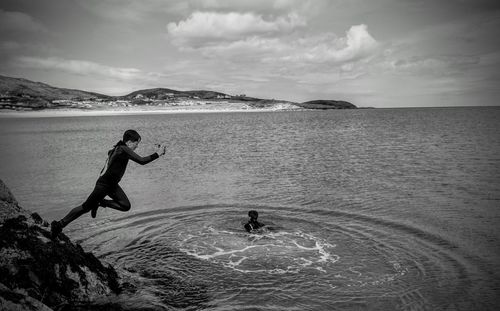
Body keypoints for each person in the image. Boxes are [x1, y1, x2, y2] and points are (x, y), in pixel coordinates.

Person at [51, 129, 165, 238]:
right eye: (136, 143)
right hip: (104, 185)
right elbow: (142, 161)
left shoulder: (119, 149)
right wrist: (158, 153)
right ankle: (59, 224)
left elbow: (110, 157)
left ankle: (100, 202)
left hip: (112, 185)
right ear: (129, 142)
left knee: (125, 205)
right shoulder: (123, 148)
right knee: (85, 207)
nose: (137, 146)